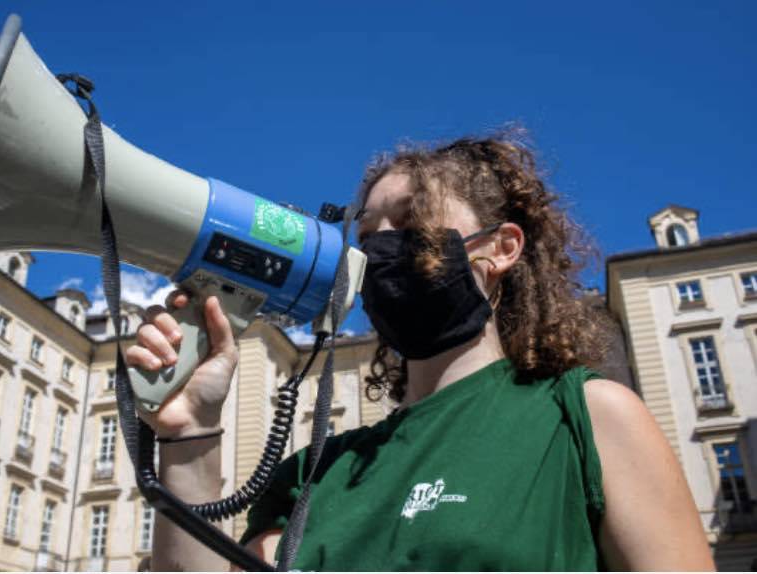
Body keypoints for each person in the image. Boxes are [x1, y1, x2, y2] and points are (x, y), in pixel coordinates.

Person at [127, 132, 715, 571]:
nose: (383, 249)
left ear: (502, 248)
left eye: (411, 226)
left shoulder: (587, 416)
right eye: (366, 239)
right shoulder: (314, 473)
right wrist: (188, 434)